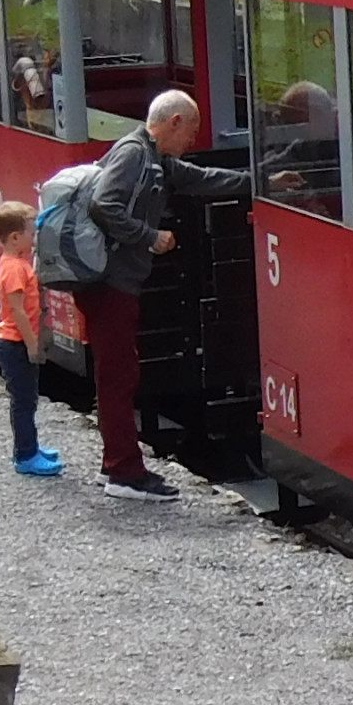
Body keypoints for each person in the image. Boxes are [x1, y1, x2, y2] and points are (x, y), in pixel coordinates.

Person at [77, 89, 248, 500]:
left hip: (116, 283)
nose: (193, 139)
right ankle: (123, 472)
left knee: (120, 373)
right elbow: (104, 205)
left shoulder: (155, 159)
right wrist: (149, 236)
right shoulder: (134, 155)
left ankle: (116, 464)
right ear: (173, 123)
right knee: (118, 377)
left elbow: (200, 179)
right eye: (191, 129)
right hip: (109, 284)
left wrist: (259, 180)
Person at [0, 197, 62, 479]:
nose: (34, 238)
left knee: (27, 401)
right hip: (15, 343)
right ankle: (25, 455)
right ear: (16, 237)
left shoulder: (14, 261)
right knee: (23, 402)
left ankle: (31, 448)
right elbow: (17, 311)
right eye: (31, 234)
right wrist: (32, 344)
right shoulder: (14, 268)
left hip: (14, 342)